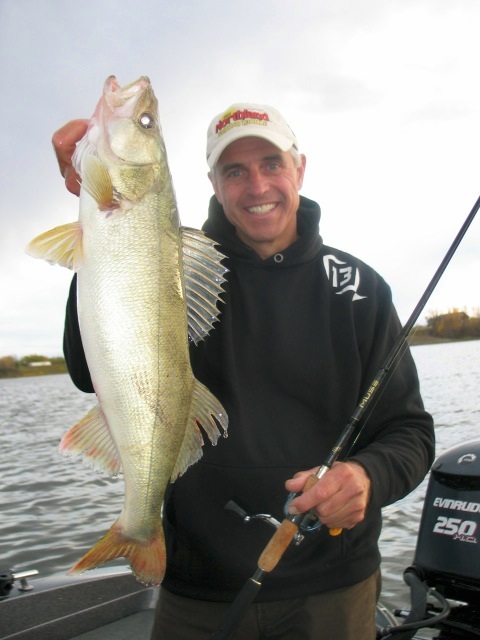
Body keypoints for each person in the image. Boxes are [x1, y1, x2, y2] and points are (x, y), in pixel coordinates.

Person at [53, 103, 435, 640]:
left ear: (299, 168)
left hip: (334, 587)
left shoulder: (361, 290)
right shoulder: (175, 268)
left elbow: (411, 432)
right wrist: (98, 223)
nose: (257, 185)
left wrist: (366, 477)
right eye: (234, 170)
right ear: (212, 182)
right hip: (198, 588)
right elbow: (87, 370)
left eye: (271, 163)